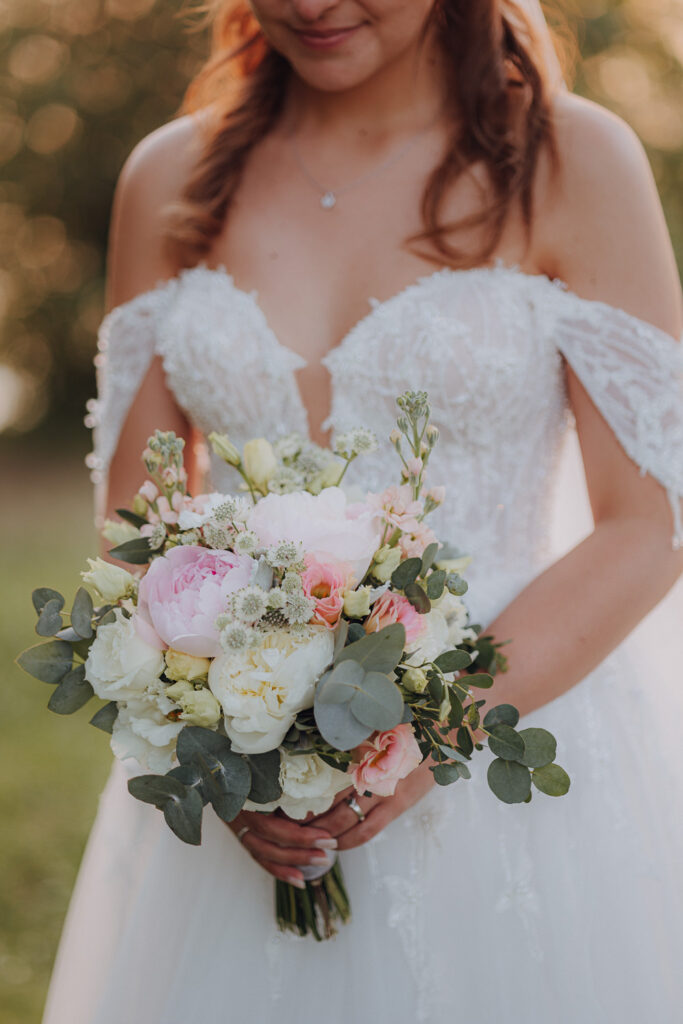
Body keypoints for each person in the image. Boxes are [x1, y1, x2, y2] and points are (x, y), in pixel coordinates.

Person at [45, 2, 683, 1022]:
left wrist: (432, 733)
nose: (311, 4)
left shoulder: (571, 159)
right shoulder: (169, 175)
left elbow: (644, 526)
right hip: (240, 803)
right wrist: (220, 750)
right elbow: (135, 517)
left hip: (504, 748)